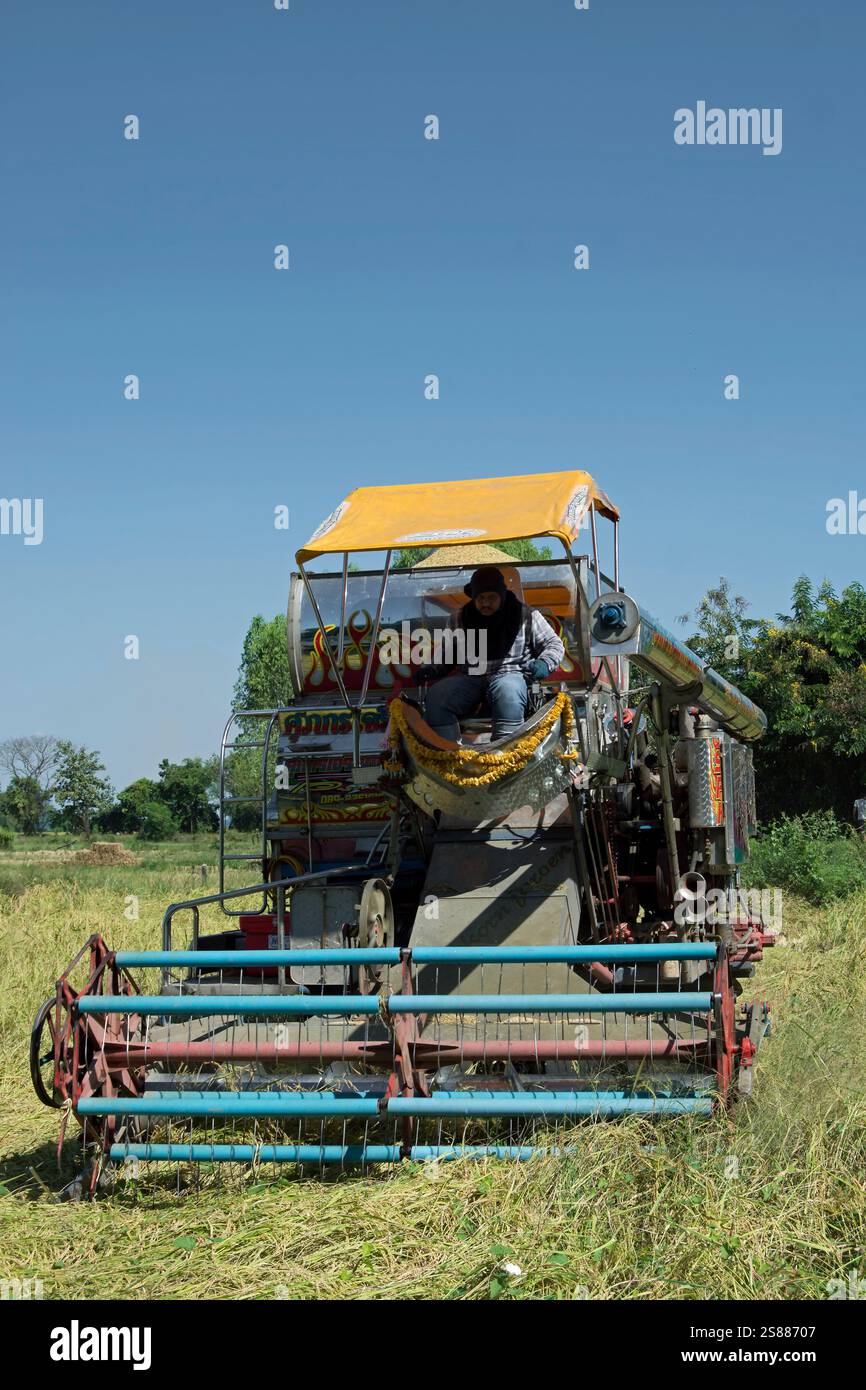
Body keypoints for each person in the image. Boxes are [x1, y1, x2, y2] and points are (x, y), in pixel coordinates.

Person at [422, 565, 565, 742]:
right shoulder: (459, 618)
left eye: (491, 597)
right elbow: (448, 654)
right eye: (480, 598)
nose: (486, 603)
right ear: (473, 598)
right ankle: (448, 755)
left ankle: (505, 756)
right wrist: (432, 669)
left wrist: (544, 663)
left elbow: (554, 644)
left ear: (502, 596)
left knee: (508, 692)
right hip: (471, 677)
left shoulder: (525, 615)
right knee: (436, 696)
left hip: (510, 674)